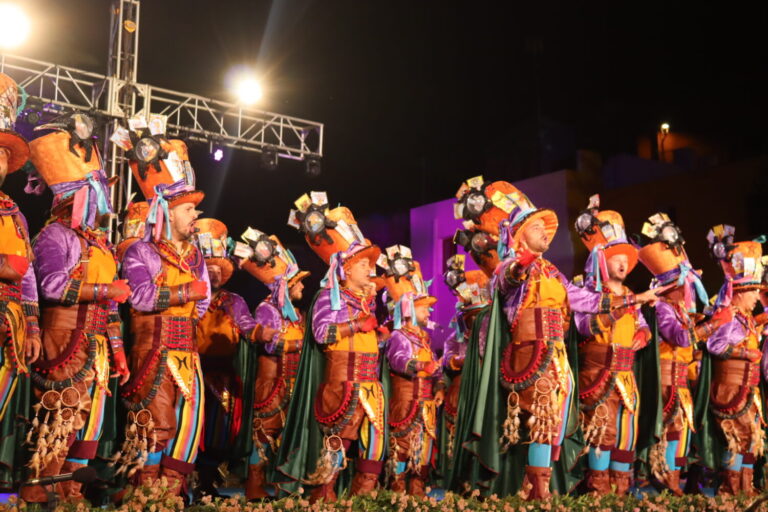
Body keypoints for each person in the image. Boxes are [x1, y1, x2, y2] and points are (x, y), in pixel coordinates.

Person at [22, 113, 130, 503]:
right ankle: (39, 497)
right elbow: (51, 287)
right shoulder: (55, 235)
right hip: (63, 339)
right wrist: (104, 289)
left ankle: (70, 497)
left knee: (88, 427)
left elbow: (113, 307)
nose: (104, 201)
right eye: (97, 192)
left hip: (96, 347)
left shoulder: (100, 244)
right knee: (59, 420)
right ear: (79, 197)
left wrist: (118, 352)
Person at [114, 120, 210, 498]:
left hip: (187, 351)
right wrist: (184, 293)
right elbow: (140, 297)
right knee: (155, 427)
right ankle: (143, 498)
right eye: (188, 210)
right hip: (153, 350)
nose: (195, 216)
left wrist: (189, 301)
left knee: (188, 428)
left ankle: (168, 499)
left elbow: (203, 301)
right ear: (167, 213)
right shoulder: (141, 251)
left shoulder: (195, 254)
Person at [278, 192, 384, 502]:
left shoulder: (365, 302)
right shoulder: (328, 297)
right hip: (343, 384)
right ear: (346, 270)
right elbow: (322, 333)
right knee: (339, 443)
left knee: (375, 447)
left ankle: (361, 501)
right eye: (363, 264)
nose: (369, 270)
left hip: (370, 385)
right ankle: (323, 499)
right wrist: (357, 325)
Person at [571, 198, 656, 495]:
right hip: (598, 372)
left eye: (626, 260)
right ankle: (598, 487)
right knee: (601, 429)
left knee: (625, 432)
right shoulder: (589, 292)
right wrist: (617, 311)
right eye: (615, 258)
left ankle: (621, 489)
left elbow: (643, 326)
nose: (622, 264)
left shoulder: (631, 293)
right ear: (601, 261)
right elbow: (583, 327)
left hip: (625, 373)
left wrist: (642, 336)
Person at [637, 212, 723, 495]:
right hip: (663, 381)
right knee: (667, 430)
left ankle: (674, 481)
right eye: (688, 284)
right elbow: (680, 337)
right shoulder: (662, 308)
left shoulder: (681, 311)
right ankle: (662, 481)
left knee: (680, 431)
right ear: (673, 286)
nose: (690, 290)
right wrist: (712, 326)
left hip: (680, 381)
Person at [238, 228, 310, 499]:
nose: (302, 287)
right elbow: (272, 344)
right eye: (298, 283)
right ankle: (255, 485)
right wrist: (301, 345)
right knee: (265, 434)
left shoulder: (297, 315)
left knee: (288, 435)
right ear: (285, 286)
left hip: (293, 383)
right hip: (271, 383)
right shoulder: (267, 309)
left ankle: (283, 487)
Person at [192, 218, 257, 497]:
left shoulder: (234, 301)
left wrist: (265, 333)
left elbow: (249, 328)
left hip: (225, 374)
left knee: (220, 430)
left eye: (218, 271)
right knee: (191, 426)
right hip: (193, 369)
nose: (214, 275)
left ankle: (209, 483)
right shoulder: (191, 297)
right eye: (209, 270)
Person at [0, 72, 41, 490]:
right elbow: (13, 266)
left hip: (10, 328)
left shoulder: (14, 212)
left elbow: (27, 279)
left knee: (6, 408)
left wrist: (32, 326)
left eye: (0, 155)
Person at [705, 225, 765, 496]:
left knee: (751, 437)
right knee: (736, 437)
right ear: (740, 293)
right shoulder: (729, 317)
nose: (756, 299)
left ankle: (745, 487)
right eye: (753, 293)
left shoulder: (747, 320)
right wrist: (745, 353)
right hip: (730, 388)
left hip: (747, 387)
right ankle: (730, 490)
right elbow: (714, 345)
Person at [379, 246, 443, 496]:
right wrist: (420, 366)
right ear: (408, 310)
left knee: (423, 451)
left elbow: (435, 369)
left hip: (426, 404)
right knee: (402, 448)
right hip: (405, 403)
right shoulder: (399, 335)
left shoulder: (424, 339)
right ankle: (397, 493)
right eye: (423, 307)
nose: (428, 311)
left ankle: (417, 493)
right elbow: (398, 361)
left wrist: (439, 386)